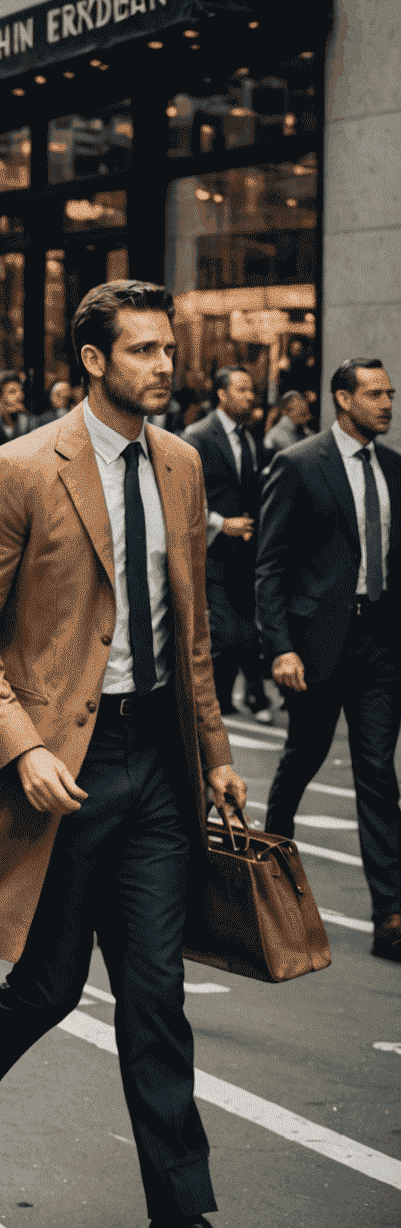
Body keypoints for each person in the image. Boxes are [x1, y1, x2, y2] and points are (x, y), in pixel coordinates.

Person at [0, 279, 279, 1228]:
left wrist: (221, 752)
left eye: (168, 348)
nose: (166, 365)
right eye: (145, 350)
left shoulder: (184, 465)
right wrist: (19, 749)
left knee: (156, 999)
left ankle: (182, 1223)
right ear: (94, 362)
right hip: (62, 767)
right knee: (49, 985)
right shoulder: (20, 469)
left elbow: (189, 634)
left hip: (158, 766)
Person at [257, 358, 401, 962]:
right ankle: (269, 863)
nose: (387, 404)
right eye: (374, 394)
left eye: (390, 394)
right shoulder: (300, 464)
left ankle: (389, 914)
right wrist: (282, 646)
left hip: (379, 646)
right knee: (303, 756)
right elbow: (269, 566)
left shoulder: (394, 468)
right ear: (343, 399)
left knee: (377, 770)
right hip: (316, 647)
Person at [183, 367, 273, 723]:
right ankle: (217, 701)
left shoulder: (250, 439)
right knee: (226, 634)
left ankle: (231, 698)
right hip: (212, 555)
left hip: (245, 556)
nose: (250, 397)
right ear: (222, 394)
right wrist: (222, 524)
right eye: (242, 389)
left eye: (252, 390)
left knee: (248, 633)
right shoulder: (197, 436)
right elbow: (184, 498)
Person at [262, 389, 312, 459]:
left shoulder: (304, 431)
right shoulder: (277, 432)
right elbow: (299, 455)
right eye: (303, 414)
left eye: (307, 413)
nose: (308, 418)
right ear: (285, 412)